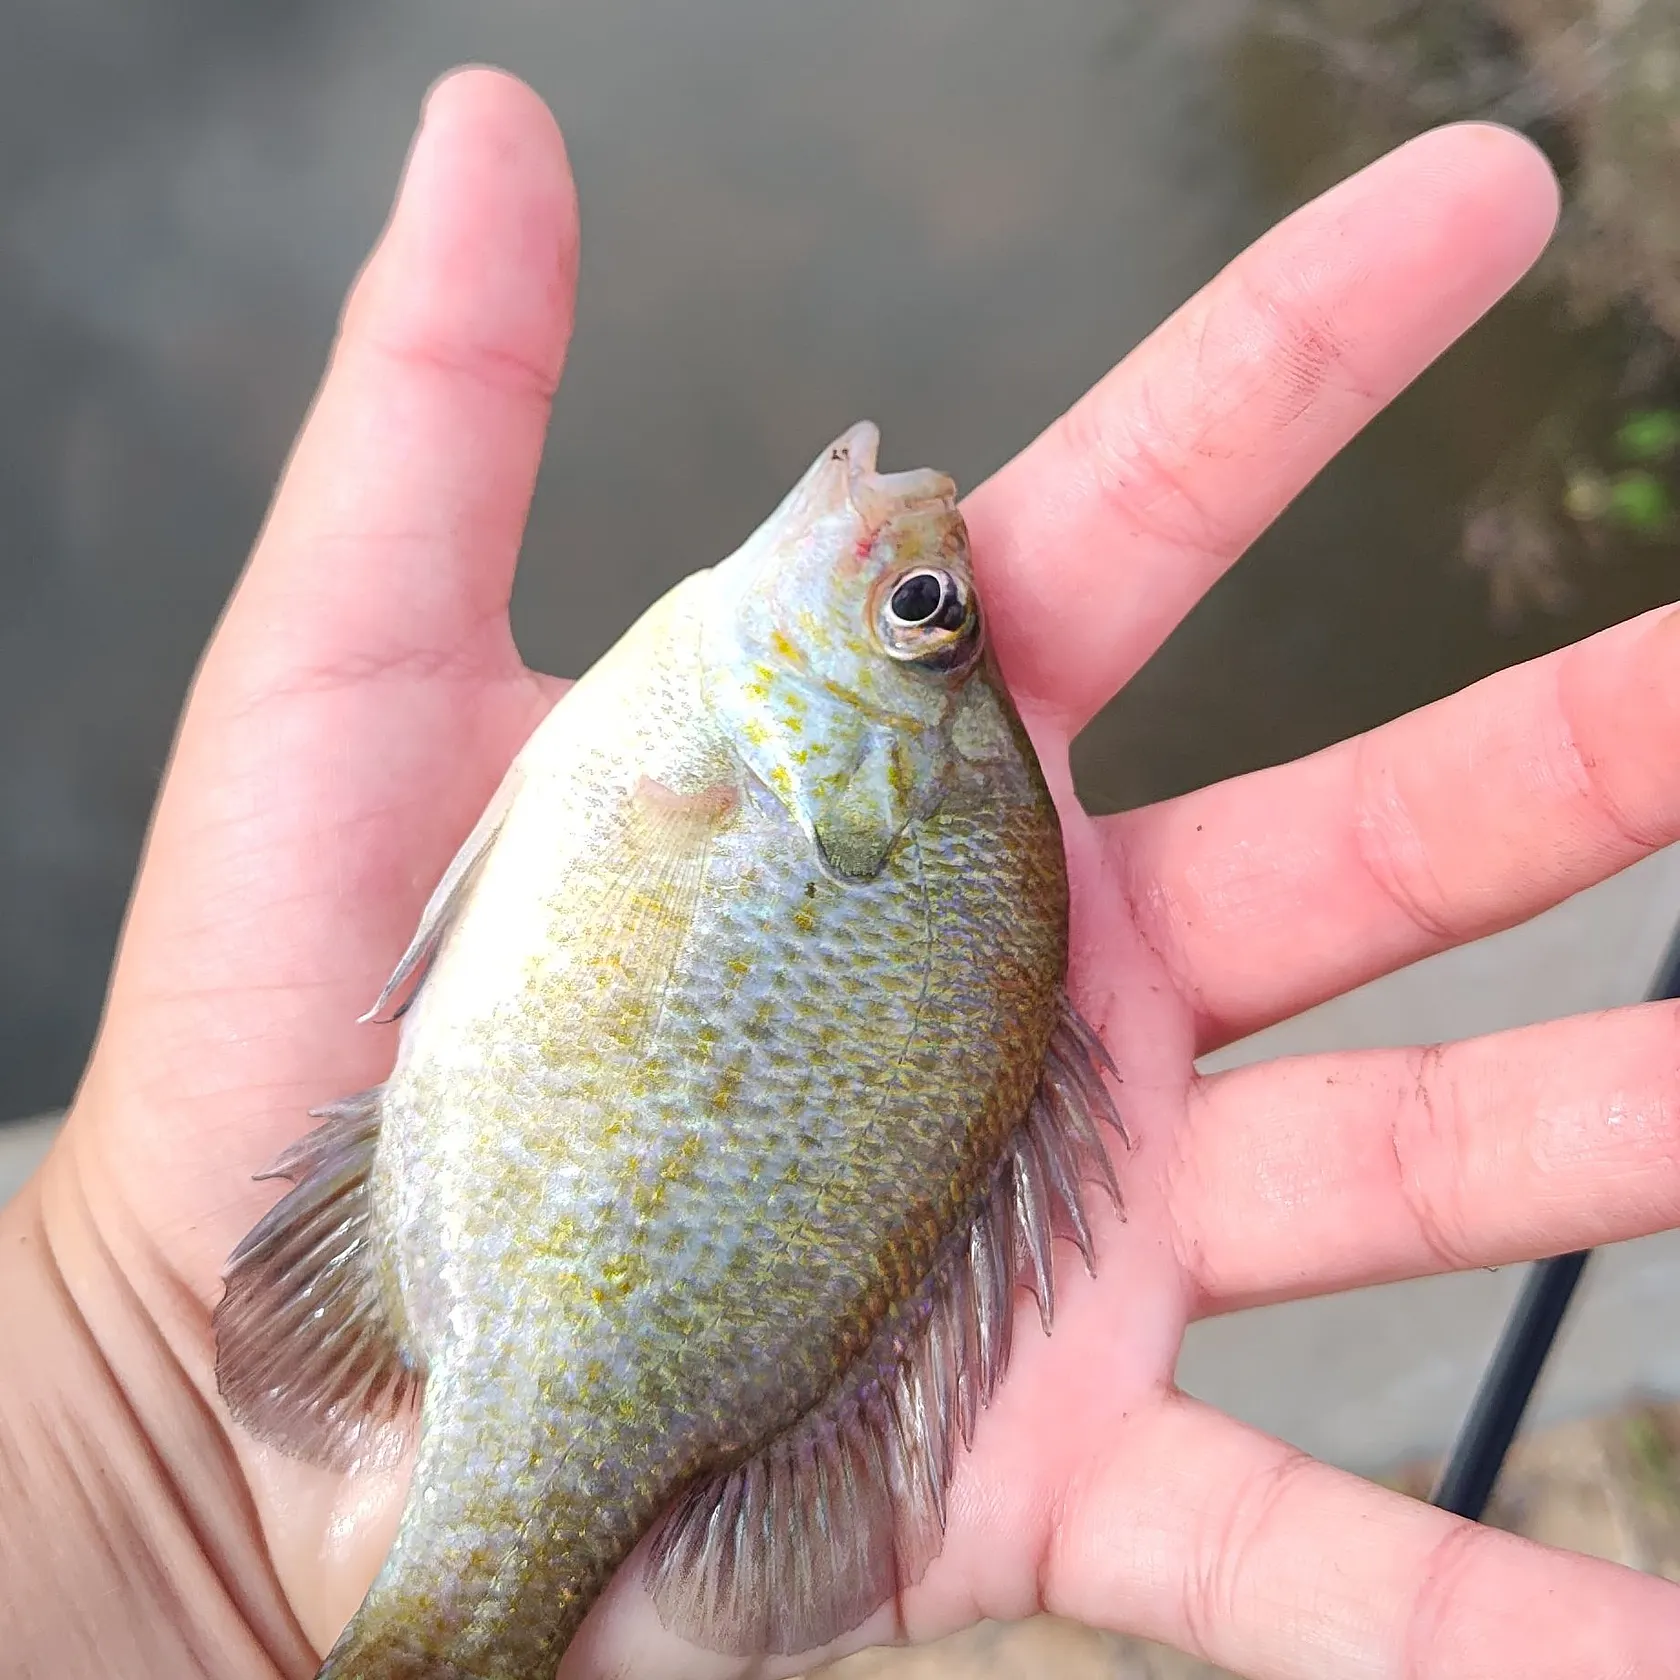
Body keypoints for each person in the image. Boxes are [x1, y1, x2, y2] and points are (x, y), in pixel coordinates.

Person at [2, 63, 1676, 1680]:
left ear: (855, 768)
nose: (912, 542)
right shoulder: (755, 771)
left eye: (917, 617)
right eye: (925, 614)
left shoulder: (727, 765)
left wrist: (124, 1457)